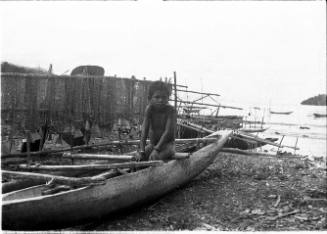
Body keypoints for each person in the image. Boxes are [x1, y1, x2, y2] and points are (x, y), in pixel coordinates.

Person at [136, 81, 176, 161]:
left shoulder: (171, 110)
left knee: (154, 158)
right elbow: (144, 131)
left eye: (164, 97)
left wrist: (157, 150)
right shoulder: (149, 109)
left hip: (168, 145)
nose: (161, 100)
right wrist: (142, 150)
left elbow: (167, 132)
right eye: (157, 97)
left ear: (168, 98)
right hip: (153, 145)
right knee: (137, 158)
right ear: (150, 98)